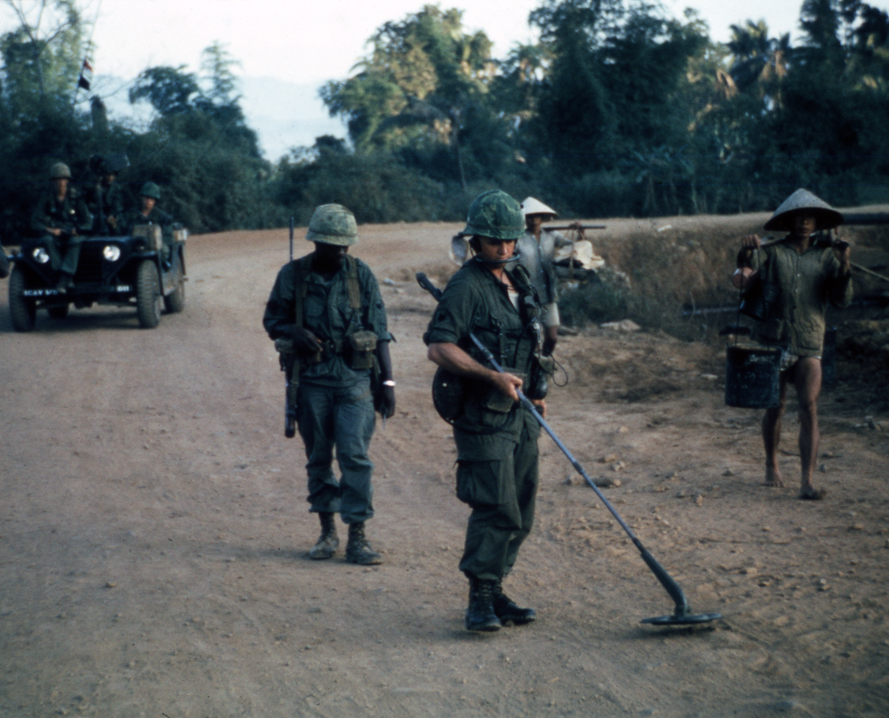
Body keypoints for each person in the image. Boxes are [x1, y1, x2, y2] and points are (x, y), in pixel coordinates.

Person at [424, 189, 547, 632]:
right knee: (496, 506)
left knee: (523, 507)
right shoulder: (467, 285)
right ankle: (479, 599)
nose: (506, 248)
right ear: (475, 240)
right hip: (482, 414)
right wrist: (491, 376)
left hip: (520, 412)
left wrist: (535, 390)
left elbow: (526, 345)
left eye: (511, 240)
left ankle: (496, 589)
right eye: (496, 241)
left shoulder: (520, 280)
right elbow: (439, 348)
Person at [263, 204, 396, 565]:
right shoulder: (292, 275)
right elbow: (272, 318)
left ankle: (358, 537)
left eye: (345, 245)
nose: (340, 251)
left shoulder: (360, 274)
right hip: (311, 383)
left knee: (355, 456)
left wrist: (387, 381)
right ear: (316, 242)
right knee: (319, 458)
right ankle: (327, 532)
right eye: (332, 245)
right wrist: (294, 330)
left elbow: (380, 330)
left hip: (354, 382)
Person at [732, 188, 853, 500]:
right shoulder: (772, 253)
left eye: (809, 218)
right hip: (773, 341)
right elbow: (742, 279)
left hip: (810, 341)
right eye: (798, 217)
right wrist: (744, 255)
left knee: (809, 407)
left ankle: (807, 481)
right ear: (788, 222)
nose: (804, 223)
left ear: (817, 223)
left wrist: (844, 266)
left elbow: (841, 301)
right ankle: (772, 463)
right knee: (776, 405)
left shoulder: (827, 257)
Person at [518, 197, 577, 356]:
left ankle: (543, 362)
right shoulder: (518, 240)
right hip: (529, 297)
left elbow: (574, 248)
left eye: (536, 216)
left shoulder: (552, 236)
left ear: (542, 218)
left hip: (549, 295)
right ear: (524, 218)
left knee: (552, 338)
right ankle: (533, 371)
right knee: (534, 339)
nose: (533, 220)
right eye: (529, 216)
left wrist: (578, 231)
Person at [30, 162, 93, 292]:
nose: (61, 182)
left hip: (73, 233)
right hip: (55, 234)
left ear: (68, 181)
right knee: (47, 240)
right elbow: (35, 221)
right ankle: (64, 278)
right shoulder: (46, 197)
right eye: (57, 179)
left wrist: (77, 230)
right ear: (52, 181)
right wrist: (51, 230)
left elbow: (88, 220)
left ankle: (63, 279)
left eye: (63, 179)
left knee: (76, 241)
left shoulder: (76, 197)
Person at [120, 182, 175, 264]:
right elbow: (122, 231)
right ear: (141, 197)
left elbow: (168, 236)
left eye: (152, 198)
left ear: (155, 200)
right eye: (146, 197)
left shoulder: (163, 217)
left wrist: (158, 242)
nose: (149, 201)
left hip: (154, 246)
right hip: (134, 246)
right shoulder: (131, 215)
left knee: (163, 250)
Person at [84, 155, 127, 235]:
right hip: (94, 216)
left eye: (112, 175)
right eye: (108, 175)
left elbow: (117, 206)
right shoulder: (94, 186)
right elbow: (86, 201)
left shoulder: (116, 189)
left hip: (109, 216)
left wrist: (112, 215)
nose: (110, 178)